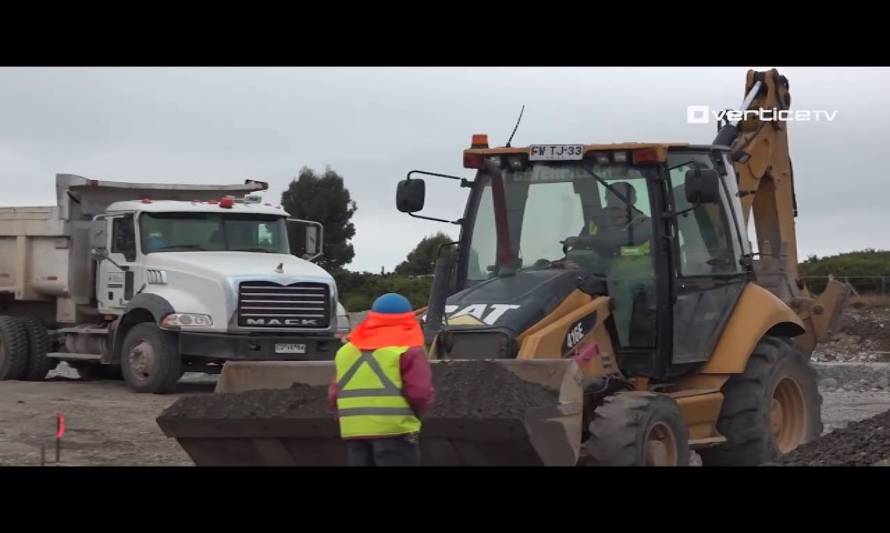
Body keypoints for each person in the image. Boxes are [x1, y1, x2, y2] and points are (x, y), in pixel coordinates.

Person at [328, 293, 435, 466]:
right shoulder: (408, 349)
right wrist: (417, 415)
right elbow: (420, 393)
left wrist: (346, 419)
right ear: (408, 319)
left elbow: (334, 395)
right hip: (395, 431)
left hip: (355, 431)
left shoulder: (345, 351)